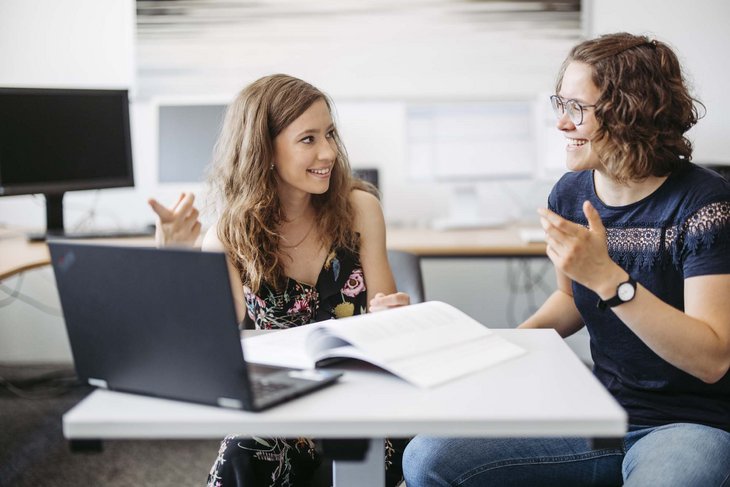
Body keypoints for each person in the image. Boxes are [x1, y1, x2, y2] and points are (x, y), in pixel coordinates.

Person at [403, 32, 730, 486]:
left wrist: (611, 281)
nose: (561, 124)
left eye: (578, 108)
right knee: (428, 457)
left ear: (629, 112)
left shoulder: (705, 204)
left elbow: (712, 358)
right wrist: (495, 349)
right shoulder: (570, 194)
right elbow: (570, 299)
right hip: (598, 412)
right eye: (561, 104)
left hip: (689, 424)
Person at [149, 74, 410, 486]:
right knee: (243, 451)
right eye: (308, 139)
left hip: (362, 393)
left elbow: (385, 308)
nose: (328, 152)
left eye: (330, 134)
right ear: (264, 149)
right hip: (285, 404)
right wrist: (175, 259)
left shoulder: (360, 208)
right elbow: (205, 341)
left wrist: (391, 312)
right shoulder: (229, 235)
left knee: (374, 457)